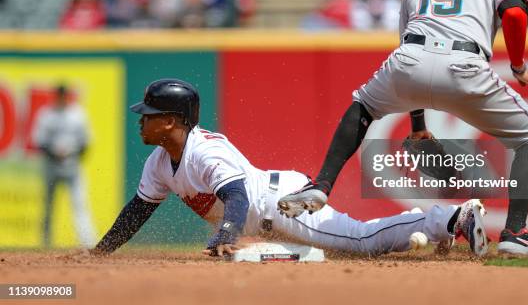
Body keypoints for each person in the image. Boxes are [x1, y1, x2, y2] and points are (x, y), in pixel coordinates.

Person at [278, 0, 528, 259]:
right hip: (464, 64)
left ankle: (321, 183)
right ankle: (515, 232)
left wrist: (417, 124)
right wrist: (518, 66)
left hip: (408, 60)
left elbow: (412, 47)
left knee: (363, 106)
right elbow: (515, 14)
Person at [90, 78, 488, 257]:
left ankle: (450, 218)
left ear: (173, 120)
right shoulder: (159, 161)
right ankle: (424, 225)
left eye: (150, 114)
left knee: (360, 243)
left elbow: (236, 196)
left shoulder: (204, 151)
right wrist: (101, 252)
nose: (141, 120)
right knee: (343, 251)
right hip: (267, 211)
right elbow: (138, 211)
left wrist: (227, 231)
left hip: (279, 204)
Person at [33, 84, 96, 247]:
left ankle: (87, 242)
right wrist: (55, 154)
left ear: (67, 96)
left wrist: (71, 155)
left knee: (80, 205)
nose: (61, 97)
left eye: (64, 95)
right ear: (56, 96)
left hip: (73, 167)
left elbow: (86, 143)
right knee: (48, 206)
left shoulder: (78, 114)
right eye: (59, 95)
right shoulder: (46, 114)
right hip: (51, 166)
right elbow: (39, 142)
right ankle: (45, 242)